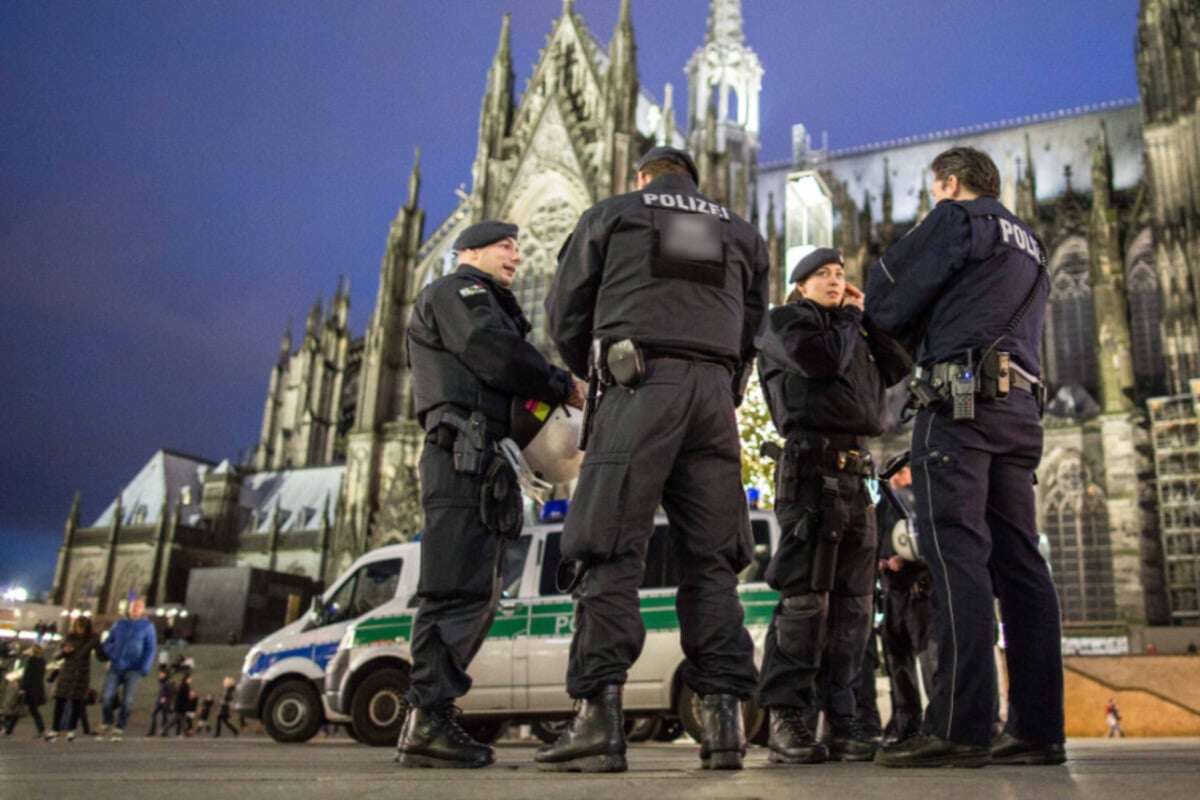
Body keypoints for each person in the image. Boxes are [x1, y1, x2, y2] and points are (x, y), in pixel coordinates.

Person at [538, 145, 770, 772]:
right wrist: (724, 383)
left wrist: (591, 368)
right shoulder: (738, 231)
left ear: (643, 177)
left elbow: (565, 311)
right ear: (694, 181)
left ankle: (598, 720)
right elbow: (754, 325)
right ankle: (724, 726)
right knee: (714, 558)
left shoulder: (615, 215)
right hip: (714, 398)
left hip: (638, 384)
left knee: (608, 546)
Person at [866, 146, 1065, 768]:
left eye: (934, 192)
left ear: (949, 185)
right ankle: (1038, 729)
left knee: (956, 559)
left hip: (960, 407)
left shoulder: (957, 218)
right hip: (1021, 411)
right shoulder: (1028, 241)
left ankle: (959, 725)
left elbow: (887, 296)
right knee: (1023, 566)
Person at [395, 219, 586, 769]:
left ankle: (432, 714)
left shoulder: (482, 300)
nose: (516, 257)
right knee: (455, 586)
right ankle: (427, 719)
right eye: (505, 246)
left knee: (476, 588)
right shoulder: (459, 292)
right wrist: (557, 382)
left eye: (517, 248)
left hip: (486, 458)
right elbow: (492, 351)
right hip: (464, 455)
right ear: (469, 251)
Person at [753, 248, 911, 765]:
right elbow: (819, 363)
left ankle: (842, 718)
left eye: (841, 275)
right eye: (823, 274)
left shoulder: (849, 330)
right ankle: (786, 715)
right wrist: (846, 318)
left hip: (855, 475)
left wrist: (867, 320)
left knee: (853, 607)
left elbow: (897, 366)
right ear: (799, 284)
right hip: (810, 473)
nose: (835, 281)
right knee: (805, 601)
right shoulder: (785, 324)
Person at [875, 465, 936, 745]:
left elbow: (922, 542)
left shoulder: (916, 500)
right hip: (894, 590)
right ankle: (907, 721)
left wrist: (906, 560)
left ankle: (930, 721)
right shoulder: (886, 505)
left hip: (916, 590)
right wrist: (882, 561)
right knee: (899, 659)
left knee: (924, 657)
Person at [99, 596, 157, 741]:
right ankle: (107, 721)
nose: (135, 609)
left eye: (138, 607)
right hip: (116, 666)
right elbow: (108, 641)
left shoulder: (147, 626)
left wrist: (144, 667)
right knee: (107, 697)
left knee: (127, 701)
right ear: (129, 608)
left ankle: (119, 727)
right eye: (133, 606)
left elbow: (150, 649)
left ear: (142, 610)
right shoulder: (119, 624)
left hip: (135, 669)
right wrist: (112, 652)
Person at [49, 616, 100, 742]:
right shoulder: (70, 637)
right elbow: (57, 655)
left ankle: (71, 730)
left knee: (77, 703)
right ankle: (55, 729)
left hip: (81, 674)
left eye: (82, 627)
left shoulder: (92, 639)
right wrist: (65, 651)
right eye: (78, 626)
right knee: (60, 702)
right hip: (67, 673)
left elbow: (99, 654)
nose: (79, 629)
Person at [4, 644, 48, 737]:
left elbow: (27, 676)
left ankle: (9, 730)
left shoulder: (31, 661)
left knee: (20, 710)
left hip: (28, 689)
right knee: (29, 710)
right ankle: (41, 730)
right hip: (36, 690)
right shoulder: (42, 661)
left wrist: (22, 688)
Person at [146, 667, 175, 736]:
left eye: (161, 673)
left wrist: (165, 698)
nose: (160, 674)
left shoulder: (167, 682)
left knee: (164, 717)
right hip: (160, 702)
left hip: (165, 702)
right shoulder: (162, 681)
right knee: (154, 715)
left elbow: (170, 693)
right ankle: (153, 731)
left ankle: (164, 732)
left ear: (165, 674)